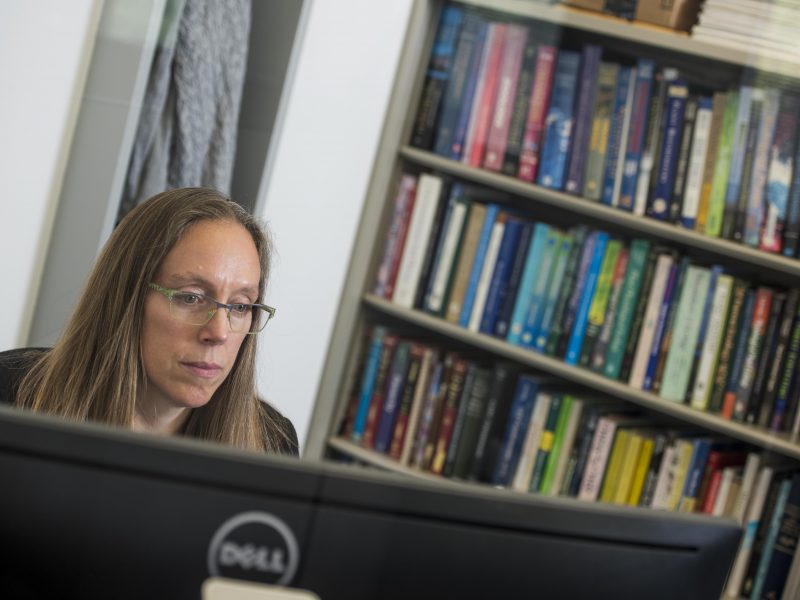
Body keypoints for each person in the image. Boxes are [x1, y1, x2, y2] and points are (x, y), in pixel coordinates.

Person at [0, 187, 297, 455]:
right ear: (128, 298)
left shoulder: (273, 443)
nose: (219, 332)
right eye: (190, 298)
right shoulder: (10, 395)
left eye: (240, 307)